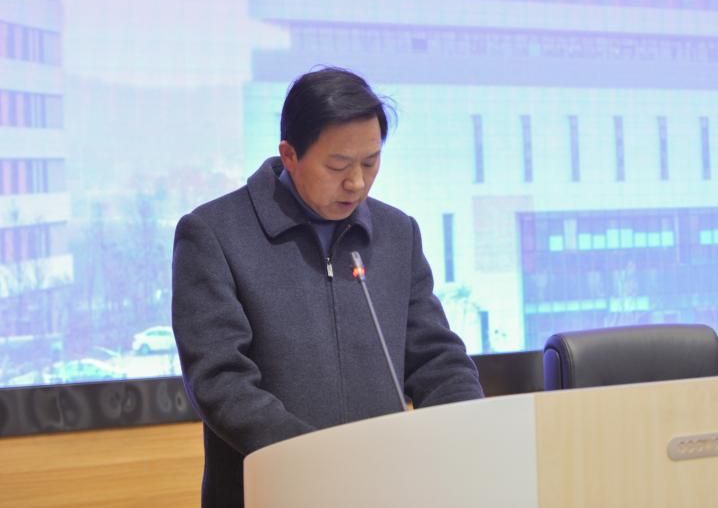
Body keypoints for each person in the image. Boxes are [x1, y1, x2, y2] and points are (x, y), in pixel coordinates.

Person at [172, 67, 484, 507]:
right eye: (338, 166)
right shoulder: (215, 234)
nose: (356, 182)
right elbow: (220, 381)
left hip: (383, 492)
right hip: (274, 493)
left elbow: (437, 359)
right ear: (290, 155)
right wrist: (319, 462)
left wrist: (471, 432)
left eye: (370, 162)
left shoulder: (397, 234)